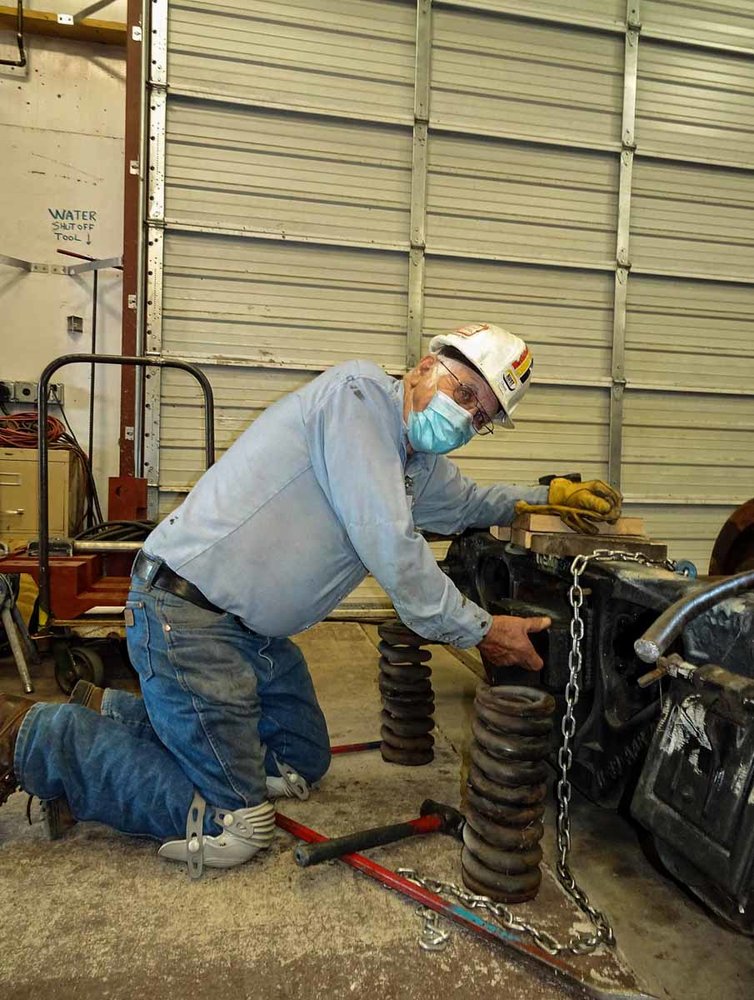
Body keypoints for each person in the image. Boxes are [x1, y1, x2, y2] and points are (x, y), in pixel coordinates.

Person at [0, 322, 620, 876]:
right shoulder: (355, 399)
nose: (467, 420)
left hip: (251, 634)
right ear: (428, 366)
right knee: (238, 825)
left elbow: (464, 506)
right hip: (185, 617)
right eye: (465, 395)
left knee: (300, 761)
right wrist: (481, 629)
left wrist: (541, 496)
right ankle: (43, 737)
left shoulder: (414, 460)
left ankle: (115, 712)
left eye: (482, 417)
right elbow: (393, 546)